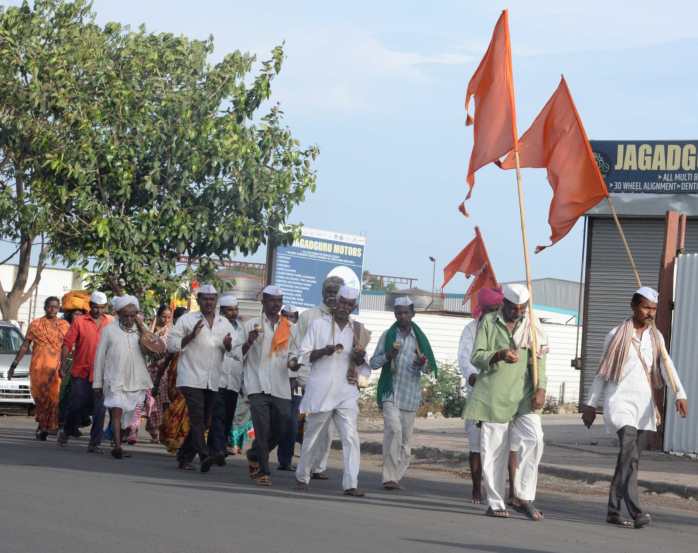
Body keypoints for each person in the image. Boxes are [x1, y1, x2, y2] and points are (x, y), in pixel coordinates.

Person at [582, 287, 688, 529]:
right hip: (618, 402)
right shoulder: (615, 335)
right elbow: (602, 372)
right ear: (633, 307)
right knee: (629, 453)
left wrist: (679, 393)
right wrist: (590, 403)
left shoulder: (656, 337)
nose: (650, 313)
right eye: (645, 307)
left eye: (653, 308)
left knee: (631, 459)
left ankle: (612, 509)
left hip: (644, 406)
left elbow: (666, 366)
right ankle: (636, 510)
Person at [465, 283, 547, 521]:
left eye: (523, 308)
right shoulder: (489, 322)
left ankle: (523, 496)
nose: (518, 313)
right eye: (514, 308)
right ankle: (496, 502)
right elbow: (477, 356)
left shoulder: (532, 324)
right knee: (494, 450)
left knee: (534, 438)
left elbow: (540, 359)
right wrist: (499, 354)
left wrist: (541, 388)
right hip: (493, 395)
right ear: (505, 304)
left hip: (524, 394)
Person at [295, 285, 371, 497]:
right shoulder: (318, 325)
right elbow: (303, 355)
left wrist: (359, 358)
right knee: (313, 436)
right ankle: (303, 477)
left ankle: (351, 484)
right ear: (335, 302)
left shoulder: (358, 330)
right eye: (342, 302)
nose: (344, 307)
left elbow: (365, 366)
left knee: (350, 437)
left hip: (346, 391)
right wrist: (324, 351)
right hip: (321, 390)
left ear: (353, 306)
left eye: (349, 304)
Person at [369, 296, 436, 490]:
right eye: (399, 313)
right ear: (395, 314)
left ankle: (395, 476)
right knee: (394, 430)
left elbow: (430, 369)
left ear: (413, 314)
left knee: (405, 441)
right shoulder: (388, 336)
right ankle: (388, 477)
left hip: (410, 394)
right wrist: (388, 355)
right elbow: (373, 363)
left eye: (406, 312)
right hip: (390, 391)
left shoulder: (419, 339)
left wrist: (421, 364)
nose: (402, 316)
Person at [167, 284, 234, 472]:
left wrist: (229, 345)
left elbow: (235, 349)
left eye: (212, 299)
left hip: (212, 379)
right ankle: (205, 455)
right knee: (197, 418)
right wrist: (190, 336)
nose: (209, 302)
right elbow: (171, 345)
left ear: (216, 301)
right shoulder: (187, 320)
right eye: (205, 298)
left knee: (204, 421)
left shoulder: (224, 323)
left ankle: (184, 456)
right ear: (198, 300)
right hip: (190, 376)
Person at [239, 285, 299, 486]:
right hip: (256, 383)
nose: (276, 304)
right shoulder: (251, 325)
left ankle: (255, 454)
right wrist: (248, 342)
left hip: (280, 384)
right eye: (272, 300)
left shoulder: (289, 328)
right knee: (262, 429)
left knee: (283, 426)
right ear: (263, 302)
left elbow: (294, 354)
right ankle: (264, 471)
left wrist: (294, 364)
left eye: (279, 300)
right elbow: (236, 354)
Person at [457, 287, 505, 503]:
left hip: (499, 396)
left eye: (497, 310)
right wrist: (473, 376)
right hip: (477, 394)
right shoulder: (470, 330)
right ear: (482, 310)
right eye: (490, 310)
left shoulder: (504, 328)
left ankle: (499, 489)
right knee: (476, 445)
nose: (493, 314)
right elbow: (465, 358)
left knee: (499, 446)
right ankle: (477, 487)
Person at [295, 276, 344, 480]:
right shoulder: (309, 317)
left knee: (329, 429)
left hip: (336, 384)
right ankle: (305, 468)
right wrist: (301, 378)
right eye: (329, 292)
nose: (332, 296)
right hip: (312, 380)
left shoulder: (345, 320)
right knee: (313, 426)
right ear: (323, 293)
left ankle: (318, 467)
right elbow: (300, 349)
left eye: (336, 292)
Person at [93, 295, 153, 459]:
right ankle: (118, 446)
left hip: (136, 380)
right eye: (125, 315)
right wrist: (97, 383)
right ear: (118, 314)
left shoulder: (141, 330)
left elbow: (154, 347)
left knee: (129, 414)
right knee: (117, 411)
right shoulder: (109, 330)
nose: (129, 318)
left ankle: (119, 437)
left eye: (132, 315)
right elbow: (99, 357)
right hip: (115, 379)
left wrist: (142, 327)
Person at [8, 297, 70, 440]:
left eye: (55, 307)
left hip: (56, 368)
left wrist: (65, 365)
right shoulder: (35, 324)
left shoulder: (64, 325)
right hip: (38, 368)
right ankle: (43, 425)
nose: (52, 309)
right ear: (45, 307)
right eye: (50, 306)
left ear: (59, 308)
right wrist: (14, 364)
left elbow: (68, 347)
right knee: (40, 398)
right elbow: (25, 345)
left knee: (53, 398)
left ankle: (45, 427)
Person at [58, 291, 113, 452]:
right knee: (76, 405)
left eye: (101, 308)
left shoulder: (110, 323)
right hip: (81, 371)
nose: (98, 311)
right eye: (95, 307)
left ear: (105, 308)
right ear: (90, 306)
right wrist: (62, 364)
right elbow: (68, 343)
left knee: (100, 409)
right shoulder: (80, 322)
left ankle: (94, 443)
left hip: (102, 373)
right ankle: (67, 430)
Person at [207, 295, 245, 464]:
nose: (233, 313)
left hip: (234, 379)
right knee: (218, 415)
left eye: (235, 309)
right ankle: (218, 449)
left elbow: (243, 352)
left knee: (228, 416)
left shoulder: (241, 328)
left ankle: (213, 449)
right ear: (221, 311)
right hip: (218, 376)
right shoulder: (216, 326)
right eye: (230, 310)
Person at [157, 307, 190, 454]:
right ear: (176, 320)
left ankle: (180, 442)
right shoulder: (174, 337)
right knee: (175, 410)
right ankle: (171, 437)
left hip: (191, 380)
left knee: (186, 411)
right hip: (175, 381)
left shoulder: (195, 336)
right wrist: (156, 381)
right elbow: (166, 361)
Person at [277, 304, 302, 471]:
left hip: (295, 383)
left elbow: (303, 358)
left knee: (292, 422)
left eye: (292, 316)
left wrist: (299, 379)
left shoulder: (300, 333)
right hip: (276, 382)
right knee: (277, 420)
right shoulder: (275, 331)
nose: (289, 319)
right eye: (286, 316)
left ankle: (285, 460)